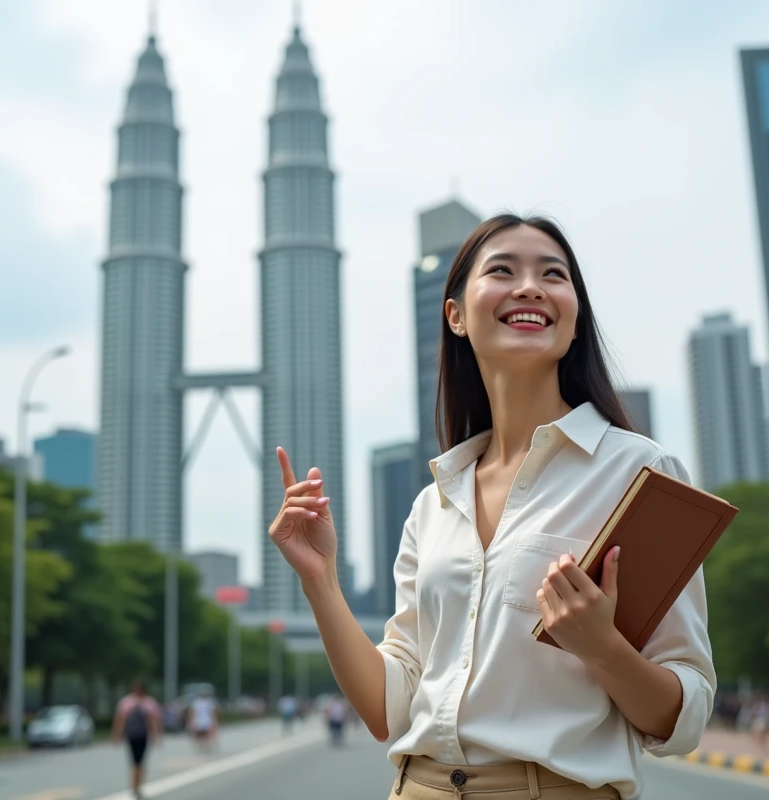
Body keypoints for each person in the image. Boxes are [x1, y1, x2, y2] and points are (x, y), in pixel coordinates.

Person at [267, 214, 715, 800]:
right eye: (503, 270)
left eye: (553, 275)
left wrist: (602, 648)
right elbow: (389, 710)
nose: (530, 286)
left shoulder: (638, 473)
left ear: (574, 319)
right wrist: (321, 582)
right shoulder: (434, 504)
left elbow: (685, 715)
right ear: (455, 315)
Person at [111, 680, 162, 800]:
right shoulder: (133, 702)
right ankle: (135, 786)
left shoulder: (140, 703)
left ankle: (136, 786)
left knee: (139, 761)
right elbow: (120, 720)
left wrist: (156, 735)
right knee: (136, 761)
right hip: (133, 736)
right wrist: (117, 734)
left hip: (141, 736)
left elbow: (153, 721)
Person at [187, 688, 219, 754]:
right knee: (199, 734)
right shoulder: (196, 702)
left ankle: (207, 746)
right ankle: (201, 746)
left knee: (208, 734)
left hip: (207, 720)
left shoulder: (210, 702)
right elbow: (192, 712)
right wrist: (192, 720)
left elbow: (213, 712)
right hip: (199, 721)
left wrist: (215, 720)